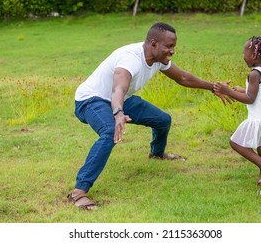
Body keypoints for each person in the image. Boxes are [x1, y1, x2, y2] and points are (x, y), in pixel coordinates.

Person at [68, 22, 232, 210]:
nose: (172, 52)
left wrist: (213, 87)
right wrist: (118, 113)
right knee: (110, 131)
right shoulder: (130, 59)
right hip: (91, 100)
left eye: (173, 47)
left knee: (163, 120)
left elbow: (183, 78)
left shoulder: (158, 60)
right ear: (153, 44)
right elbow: (118, 88)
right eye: (169, 47)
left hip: (121, 99)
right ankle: (79, 192)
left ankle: (157, 153)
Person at [214, 35, 261, 187]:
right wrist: (242, 90)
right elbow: (260, 93)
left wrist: (228, 91)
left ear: (253, 55)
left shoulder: (254, 74)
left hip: (258, 119)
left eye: (244, 53)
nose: (243, 57)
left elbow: (250, 99)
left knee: (235, 143)